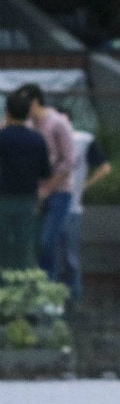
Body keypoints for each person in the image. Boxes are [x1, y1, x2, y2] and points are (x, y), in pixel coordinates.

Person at [56, 108, 111, 305]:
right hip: (68, 204)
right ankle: (71, 296)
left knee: (62, 255)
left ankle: (68, 296)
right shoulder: (82, 139)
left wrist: (85, 185)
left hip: (67, 205)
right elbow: (105, 167)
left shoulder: (82, 140)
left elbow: (105, 167)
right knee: (69, 257)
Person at [24, 84, 76, 282]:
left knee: (48, 240)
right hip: (36, 189)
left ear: (35, 101)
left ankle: (50, 285)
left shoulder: (57, 123)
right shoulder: (29, 125)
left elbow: (69, 161)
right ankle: (43, 286)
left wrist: (48, 187)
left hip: (59, 190)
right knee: (39, 242)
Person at [0, 88, 51, 271]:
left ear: (7, 113)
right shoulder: (37, 139)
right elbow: (45, 172)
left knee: (3, 249)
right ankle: (21, 287)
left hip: (3, 199)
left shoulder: (2, 138)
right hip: (28, 200)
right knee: (24, 248)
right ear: (28, 114)